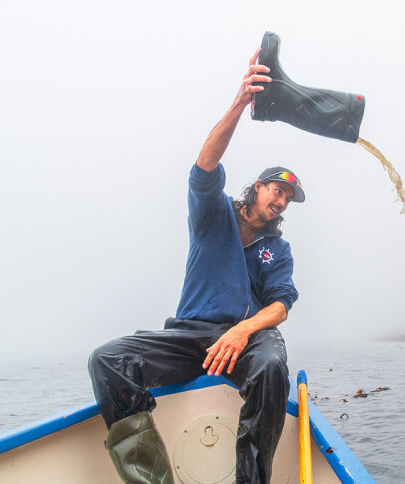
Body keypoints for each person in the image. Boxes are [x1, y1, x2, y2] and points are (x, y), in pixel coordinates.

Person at [88, 47, 304, 484]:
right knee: (107, 361)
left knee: (271, 367)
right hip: (189, 335)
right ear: (258, 187)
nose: (280, 200)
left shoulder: (277, 250)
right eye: (276, 189)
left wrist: (244, 329)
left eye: (287, 198)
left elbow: (280, 305)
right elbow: (205, 164)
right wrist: (242, 101)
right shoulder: (213, 211)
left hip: (245, 341)